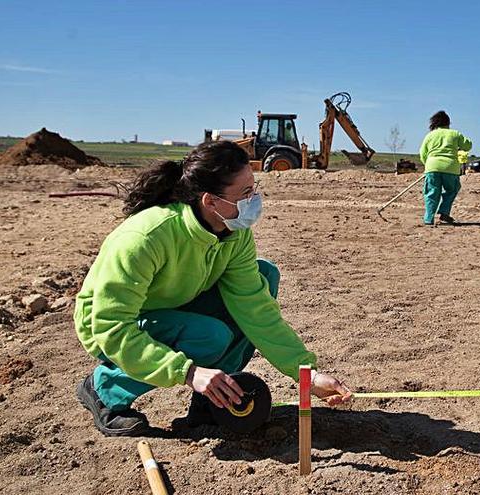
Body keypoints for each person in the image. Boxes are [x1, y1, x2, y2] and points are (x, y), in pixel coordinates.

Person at [74, 140, 352, 437]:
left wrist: (306, 374)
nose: (254, 200)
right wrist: (188, 373)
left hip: (176, 304)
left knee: (264, 275)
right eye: (245, 194)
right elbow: (111, 324)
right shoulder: (145, 237)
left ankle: (213, 402)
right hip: (109, 325)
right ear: (210, 201)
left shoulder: (234, 233)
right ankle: (106, 389)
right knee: (210, 337)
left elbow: (255, 308)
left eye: (254, 189)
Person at [419, 111, 473, 225]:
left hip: (432, 167)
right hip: (450, 168)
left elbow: (423, 153)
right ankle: (444, 211)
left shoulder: (430, 136)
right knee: (452, 189)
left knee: (431, 192)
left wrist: (428, 166)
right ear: (448, 123)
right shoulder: (455, 134)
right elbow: (467, 146)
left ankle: (429, 218)